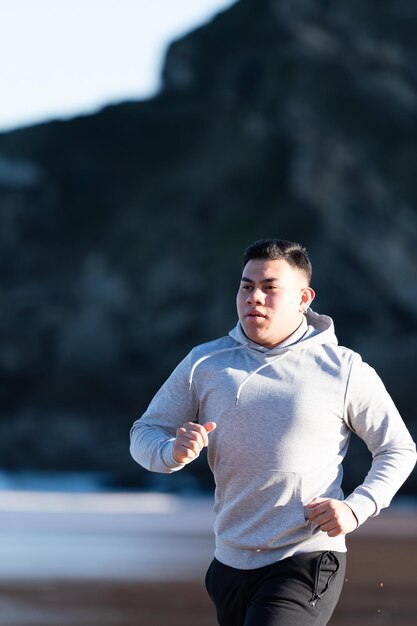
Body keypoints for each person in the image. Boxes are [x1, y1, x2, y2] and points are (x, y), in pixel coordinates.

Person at [130, 238, 416, 626]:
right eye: (246, 286)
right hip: (229, 562)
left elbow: (398, 449)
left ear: (304, 298)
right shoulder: (205, 363)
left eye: (269, 288)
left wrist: (356, 507)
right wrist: (172, 453)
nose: (254, 298)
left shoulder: (343, 369)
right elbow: (145, 433)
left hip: (307, 557)